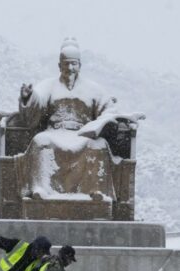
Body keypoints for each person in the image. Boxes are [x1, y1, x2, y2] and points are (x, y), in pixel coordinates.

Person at [16, 37, 119, 201]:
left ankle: (96, 192)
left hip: (83, 135)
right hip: (55, 132)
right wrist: (29, 97)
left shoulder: (93, 89)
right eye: (66, 64)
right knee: (40, 141)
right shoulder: (48, 86)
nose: (70, 68)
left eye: (74, 64)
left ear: (80, 65)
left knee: (99, 145)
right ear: (59, 65)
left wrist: (100, 123)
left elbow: (109, 109)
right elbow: (37, 102)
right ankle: (40, 189)